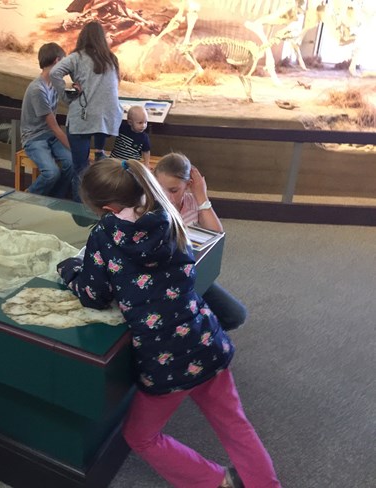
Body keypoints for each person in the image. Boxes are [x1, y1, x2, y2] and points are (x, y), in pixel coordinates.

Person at [56, 158, 280, 488]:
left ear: (104, 207)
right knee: (235, 425)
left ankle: (216, 481)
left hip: (164, 361)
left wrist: (70, 272)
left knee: (140, 436)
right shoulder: (169, 215)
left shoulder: (105, 234)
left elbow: (93, 294)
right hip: (206, 340)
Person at [153, 152, 247, 331]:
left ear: (188, 185)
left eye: (174, 190)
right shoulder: (149, 207)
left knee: (236, 315)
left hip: (193, 274)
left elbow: (216, 235)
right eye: (159, 188)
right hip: (163, 282)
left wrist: (201, 196)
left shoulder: (192, 201)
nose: (167, 197)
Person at [50, 21, 123, 197]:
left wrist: (67, 94)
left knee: (80, 169)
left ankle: (80, 210)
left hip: (82, 117)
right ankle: (100, 152)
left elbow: (54, 73)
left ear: (82, 37)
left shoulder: (76, 58)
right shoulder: (111, 59)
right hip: (107, 119)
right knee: (99, 170)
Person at [20, 42, 76, 199]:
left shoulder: (54, 83)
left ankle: (55, 199)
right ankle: (27, 198)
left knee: (71, 164)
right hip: (34, 137)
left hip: (49, 134)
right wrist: (76, 149)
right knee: (51, 172)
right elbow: (55, 128)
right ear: (58, 61)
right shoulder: (37, 90)